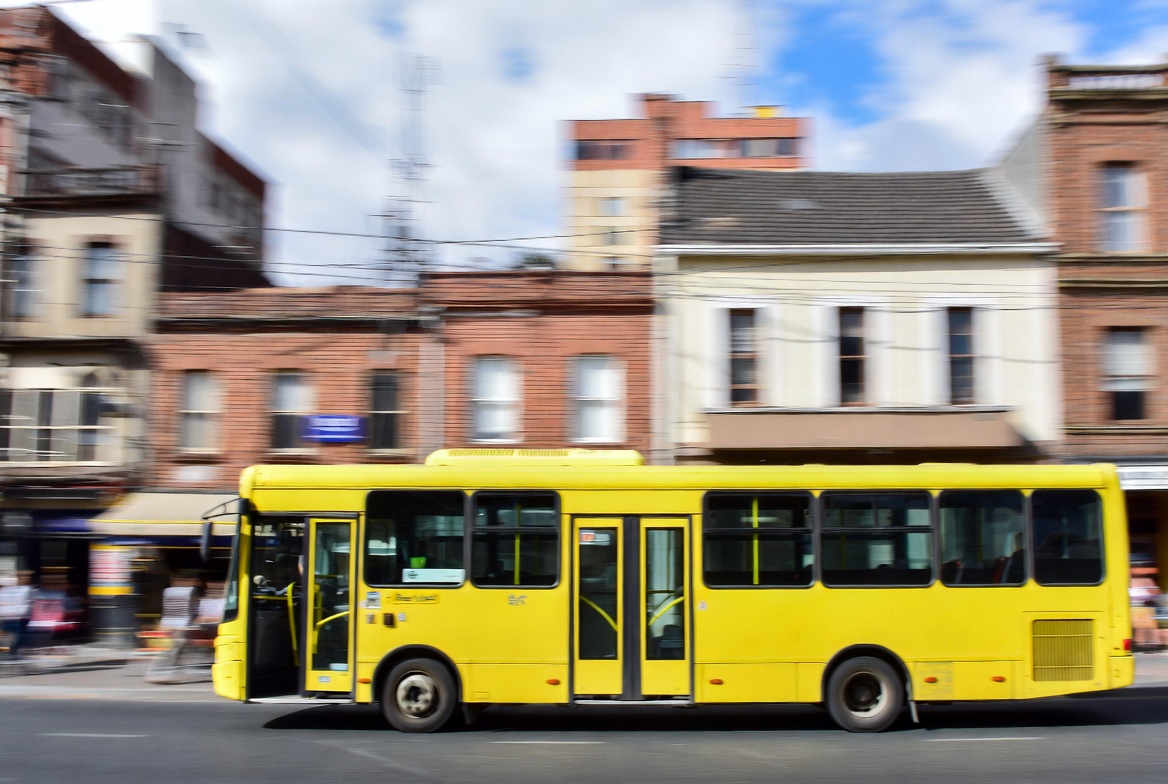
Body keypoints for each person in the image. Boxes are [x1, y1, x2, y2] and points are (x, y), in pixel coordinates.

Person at [0, 571, 35, 658]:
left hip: (20, 616)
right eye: (22, 576)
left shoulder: (26, 589)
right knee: (20, 637)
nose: (24, 578)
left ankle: (11, 652)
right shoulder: (10, 588)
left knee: (22, 637)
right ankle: (11, 652)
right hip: (12, 616)